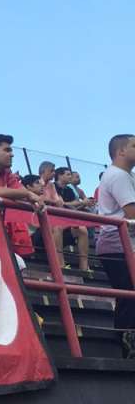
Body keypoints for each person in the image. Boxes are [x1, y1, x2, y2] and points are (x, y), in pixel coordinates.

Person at [95, 134, 135, 356]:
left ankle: (126, 339)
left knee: (128, 294)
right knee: (129, 294)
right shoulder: (119, 176)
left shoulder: (124, 175)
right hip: (118, 244)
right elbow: (132, 212)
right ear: (121, 151)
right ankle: (127, 341)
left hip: (120, 243)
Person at [54, 167, 91, 272]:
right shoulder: (53, 187)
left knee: (82, 229)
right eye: (68, 174)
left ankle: (84, 267)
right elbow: (61, 204)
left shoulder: (69, 190)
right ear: (60, 176)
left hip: (66, 221)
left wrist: (75, 203)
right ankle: (60, 264)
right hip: (53, 222)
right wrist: (78, 203)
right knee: (58, 228)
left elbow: (72, 205)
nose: (70, 177)